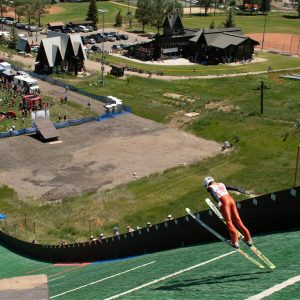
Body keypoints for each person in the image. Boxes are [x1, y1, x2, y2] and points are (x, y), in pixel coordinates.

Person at [203, 176, 253, 249]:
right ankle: (248, 239)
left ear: (207, 183)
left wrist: (218, 202)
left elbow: (213, 194)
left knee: (229, 221)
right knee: (238, 220)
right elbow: (233, 188)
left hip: (224, 201)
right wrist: (244, 191)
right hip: (231, 200)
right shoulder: (221, 184)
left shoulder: (210, 187)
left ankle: (234, 241)